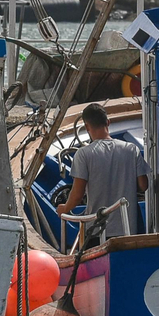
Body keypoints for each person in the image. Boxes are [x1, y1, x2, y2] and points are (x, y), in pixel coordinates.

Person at [57, 103, 148, 241]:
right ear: (108, 123)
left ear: (87, 127)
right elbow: (143, 185)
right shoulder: (131, 149)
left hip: (98, 231)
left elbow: (77, 195)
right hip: (129, 230)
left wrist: (64, 208)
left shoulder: (83, 154)